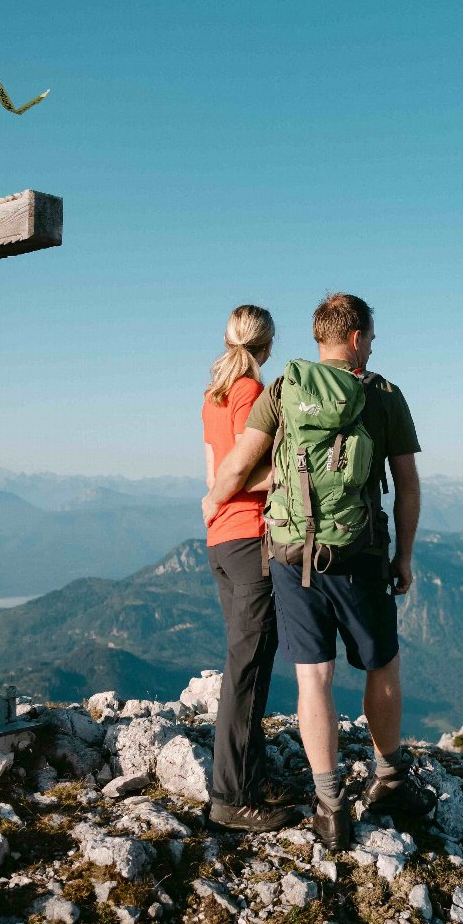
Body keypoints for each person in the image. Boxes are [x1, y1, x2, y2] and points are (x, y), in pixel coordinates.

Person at [202, 292, 432, 849]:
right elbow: (406, 485)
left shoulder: (282, 389)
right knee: (381, 664)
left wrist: (213, 501)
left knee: (313, 677)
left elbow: (238, 464)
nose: (373, 346)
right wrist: (403, 555)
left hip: (289, 556)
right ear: (355, 338)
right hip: (358, 554)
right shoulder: (382, 394)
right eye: (371, 337)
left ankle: (329, 806)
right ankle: (389, 780)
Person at [200, 304, 300, 833]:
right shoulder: (251, 394)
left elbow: (214, 471)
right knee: (248, 671)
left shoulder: (212, 396)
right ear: (268, 345)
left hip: (221, 540)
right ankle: (231, 798)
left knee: (247, 666)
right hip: (250, 540)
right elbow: (241, 471)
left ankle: (247, 781)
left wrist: (212, 500)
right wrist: (288, 477)